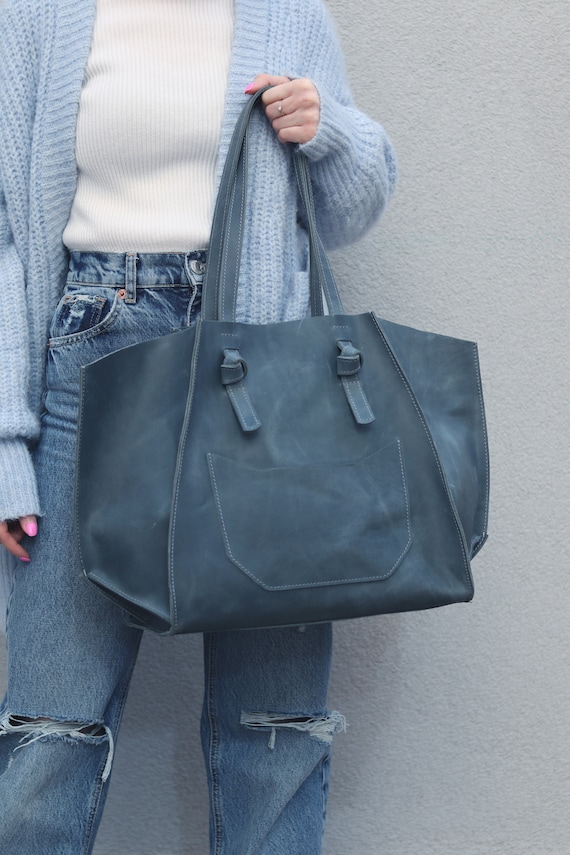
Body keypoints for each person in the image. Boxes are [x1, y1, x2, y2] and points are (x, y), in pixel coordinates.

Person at [0, 0, 396, 851]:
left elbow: (351, 210)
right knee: (50, 734)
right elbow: (5, 234)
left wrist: (328, 133)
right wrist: (5, 448)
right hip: (88, 361)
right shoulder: (31, 16)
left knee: (274, 732)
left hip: (266, 382)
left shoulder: (286, 12)